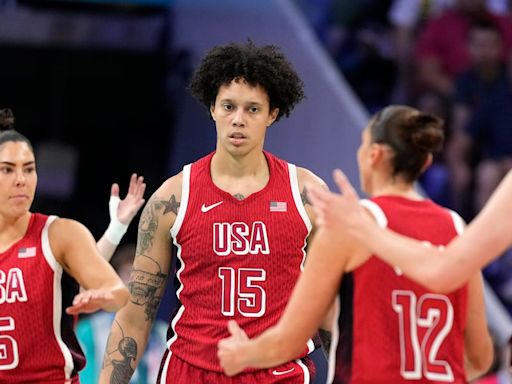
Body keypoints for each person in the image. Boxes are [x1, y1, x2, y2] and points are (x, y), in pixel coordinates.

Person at [99, 40, 327, 384]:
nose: (238, 120)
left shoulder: (307, 193)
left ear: (273, 113)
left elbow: (331, 307)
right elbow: (135, 316)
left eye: (252, 109)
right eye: (228, 106)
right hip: (191, 370)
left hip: (278, 372)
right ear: (212, 108)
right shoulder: (172, 197)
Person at [217, 105, 493, 382]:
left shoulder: (348, 225)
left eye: (362, 145)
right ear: (425, 163)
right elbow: (480, 358)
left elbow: (287, 342)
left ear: (374, 155)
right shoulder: (458, 230)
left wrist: (241, 353)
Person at [0, 108, 129, 383]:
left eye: (29, 168)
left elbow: (117, 290)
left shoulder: (60, 233)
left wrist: (103, 296)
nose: (21, 179)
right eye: (7, 169)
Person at [77, 244, 167, 384]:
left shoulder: (165, 334)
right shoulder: (88, 331)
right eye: (129, 274)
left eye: (146, 278)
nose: (137, 285)